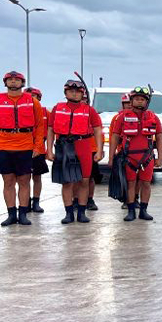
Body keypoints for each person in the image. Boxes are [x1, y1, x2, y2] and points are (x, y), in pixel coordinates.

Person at [0, 71, 46, 226]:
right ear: (5, 83)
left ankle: (23, 214)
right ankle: (11, 214)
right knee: (8, 182)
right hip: (3, 146)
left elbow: (40, 126)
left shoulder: (33, 102)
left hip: (25, 146)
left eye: (16, 79)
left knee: (24, 181)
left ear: (22, 82)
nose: (13, 82)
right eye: (10, 80)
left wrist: (38, 146)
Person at [46, 80, 103, 224]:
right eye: (71, 90)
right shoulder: (57, 108)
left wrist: (99, 150)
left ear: (82, 94)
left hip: (83, 146)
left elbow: (97, 129)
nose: (74, 93)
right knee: (67, 182)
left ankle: (82, 212)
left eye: (78, 91)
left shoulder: (89, 110)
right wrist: (49, 149)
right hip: (63, 146)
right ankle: (69, 213)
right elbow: (51, 129)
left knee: (84, 180)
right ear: (65, 93)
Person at [108, 86, 162, 222]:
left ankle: (143, 210)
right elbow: (115, 137)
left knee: (146, 183)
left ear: (147, 102)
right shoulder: (122, 117)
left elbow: (159, 137)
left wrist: (160, 158)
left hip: (147, 157)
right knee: (131, 183)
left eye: (142, 99)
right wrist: (111, 157)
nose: (139, 102)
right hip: (129, 157)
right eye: (137, 99)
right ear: (131, 101)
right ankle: (131, 210)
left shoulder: (154, 117)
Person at [111, 94, 140, 208]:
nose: (128, 105)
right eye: (126, 103)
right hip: (124, 152)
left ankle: (135, 198)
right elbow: (113, 135)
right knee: (126, 178)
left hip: (139, 153)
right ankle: (126, 200)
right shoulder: (118, 118)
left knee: (138, 179)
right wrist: (113, 154)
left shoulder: (141, 116)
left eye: (129, 103)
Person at [25, 87, 48, 213]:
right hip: (24, 147)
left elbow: (51, 132)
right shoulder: (20, 111)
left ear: (39, 98)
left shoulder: (45, 112)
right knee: (24, 177)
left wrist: (49, 150)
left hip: (39, 148)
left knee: (37, 177)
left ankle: (36, 201)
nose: (31, 99)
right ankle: (26, 202)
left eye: (34, 96)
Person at [81, 89, 101, 211]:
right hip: (75, 150)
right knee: (74, 178)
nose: (83, 101)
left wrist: (100, 150)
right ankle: (75, 200)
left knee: (90, 178)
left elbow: (99, 132)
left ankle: (90, 199)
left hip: (91, 149)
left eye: (85, 99)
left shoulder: (92, 114)